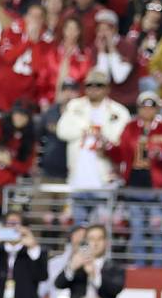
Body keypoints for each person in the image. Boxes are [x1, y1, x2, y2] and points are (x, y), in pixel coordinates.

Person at [106, 91, 162, 267]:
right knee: (137, 230)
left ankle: (158, 268)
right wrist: (107, 146)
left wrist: (161, 154)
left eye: (151, 106)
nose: (147, 110)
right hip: (134, 186)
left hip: (157, 187)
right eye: (143, 107)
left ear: (156, 108)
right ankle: (139, 266)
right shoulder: (130, 127)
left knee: (157, 229)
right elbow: (120, 153)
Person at [56, 68, 131, 225]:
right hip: (78, 179)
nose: (94, 89)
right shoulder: (75, 106)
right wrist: (85, 129)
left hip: (104, 179)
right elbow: (62, 131)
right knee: (77, 228)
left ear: (107, 88)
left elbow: (123, 140)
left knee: (102, 229)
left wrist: (102, 137)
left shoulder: (118, 111)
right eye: (90, 85)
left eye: (99, 85)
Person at [54, 224, 126, 298]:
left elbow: (116, 289)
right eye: (91, 239)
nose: (95, 243)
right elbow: (58, 284)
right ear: (86, 242)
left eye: (99, 239)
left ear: (106, 242)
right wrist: (71, 267)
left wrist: (95, 275)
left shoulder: (114, 267)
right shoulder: (77, 265)